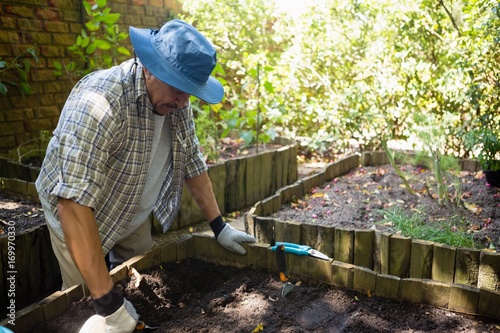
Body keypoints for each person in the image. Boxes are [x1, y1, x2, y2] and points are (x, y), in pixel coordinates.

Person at [36, 19, 256, 333]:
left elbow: (192, 161)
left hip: (134, 204)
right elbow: (72, 202)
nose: (184, 101)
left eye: (190, 93)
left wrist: (219, 226)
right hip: (81, 213)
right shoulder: (100, 102)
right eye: (179, 89)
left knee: (140, 282)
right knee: (87, 307)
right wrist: (107, 305)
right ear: (150, 68)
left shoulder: (177, 103)